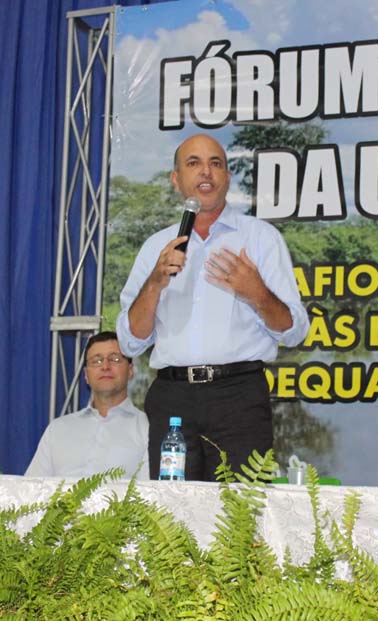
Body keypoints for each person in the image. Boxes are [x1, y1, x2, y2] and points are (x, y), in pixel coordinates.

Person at [116, 133, 309, 481]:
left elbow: (294, 331)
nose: (206, 172)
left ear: (227, 178)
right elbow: (131, 341)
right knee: (172, 521)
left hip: (238, 398)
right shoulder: (155, 248)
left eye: (215, 163)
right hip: (172, 401)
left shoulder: (260, 238)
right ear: (176, 180)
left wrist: (257, 293)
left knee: (240, 523)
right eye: (193, 163)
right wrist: (155, 283)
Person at [26, 331, 149, 478]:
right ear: (86, 375)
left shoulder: (147, 429)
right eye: (96, 361)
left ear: (130, 371)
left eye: (114, 359)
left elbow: (149, 495)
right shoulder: (58, 429)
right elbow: (31, 489)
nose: (105, 366)